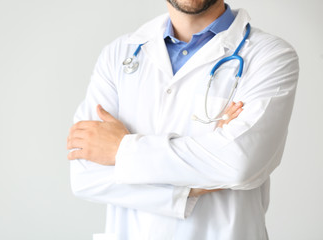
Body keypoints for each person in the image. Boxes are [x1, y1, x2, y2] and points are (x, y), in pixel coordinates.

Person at [67, 0, 299, 239]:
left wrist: (119, 150)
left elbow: (239, 162)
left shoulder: (270, 56)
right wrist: (193, 186)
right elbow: (86, 177)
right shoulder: (119, 54)